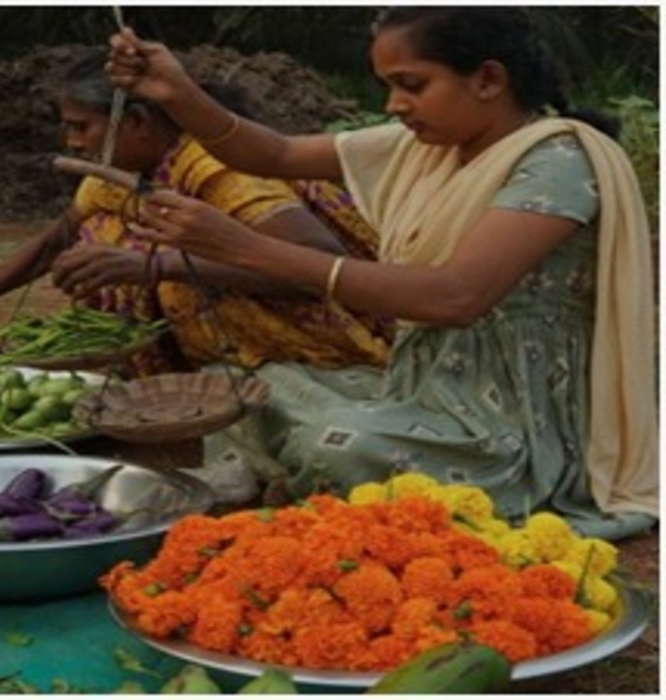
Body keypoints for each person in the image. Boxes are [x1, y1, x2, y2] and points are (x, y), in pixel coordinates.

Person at [105, 7, 657, 539]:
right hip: (423, 385)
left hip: (512, 423)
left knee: (333, 445)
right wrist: (176, 92)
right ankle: (282, 468)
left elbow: (456, 298)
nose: (394, 104)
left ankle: (307, 474)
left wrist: (245, 249)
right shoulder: (428, 148)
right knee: (260, 384)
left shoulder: (557, 163)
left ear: (488, 78)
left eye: (411, 85)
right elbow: (275, 154)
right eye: (388, 85)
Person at [0, 46, 392, 377]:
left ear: (138, 122)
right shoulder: (117, 177)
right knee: (103, 231)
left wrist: (156, 265)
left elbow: (316, 262)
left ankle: (253, 365)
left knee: (145, 249)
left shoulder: (216, 167)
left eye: (81, 127)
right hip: (216, 315)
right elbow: (54, 242)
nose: (71, 141)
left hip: (316, 328)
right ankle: (171, 363)